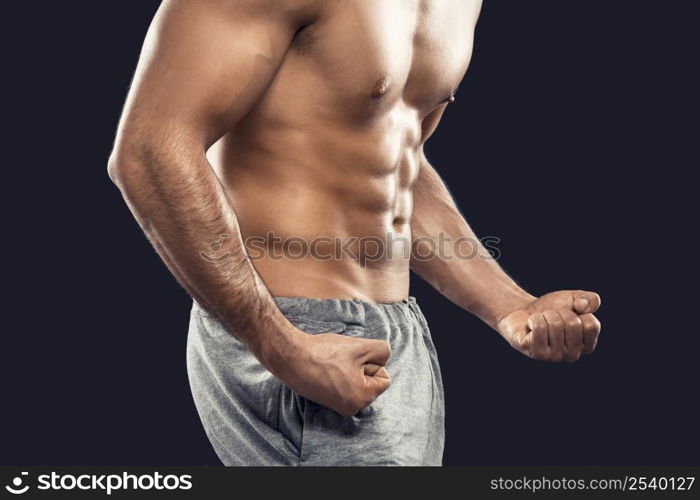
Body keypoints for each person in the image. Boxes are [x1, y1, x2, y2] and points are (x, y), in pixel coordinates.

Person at [108, 0, 602, 466]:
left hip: (398, 333)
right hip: (292, 329)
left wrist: (510, 305)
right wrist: (284, 348)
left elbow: (392, 168)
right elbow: (149, 151)